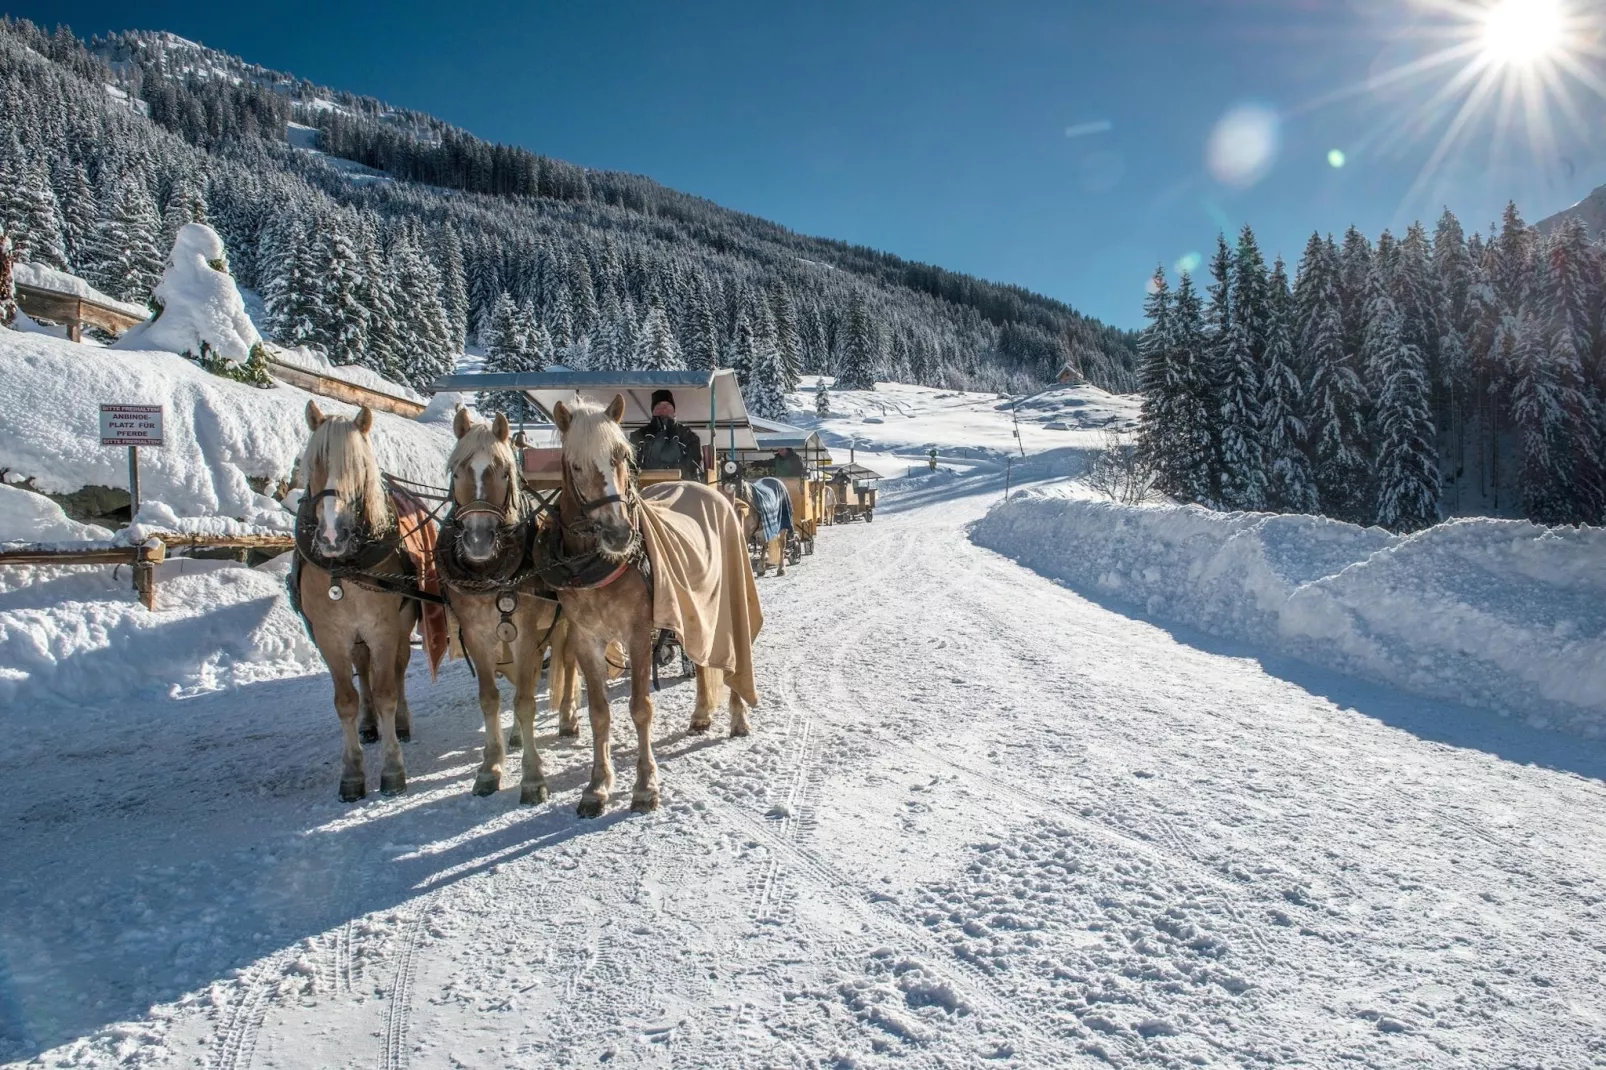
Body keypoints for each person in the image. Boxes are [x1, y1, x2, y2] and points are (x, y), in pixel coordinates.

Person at [629, 389, 706, 482]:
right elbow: (631, 467)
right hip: (646, 489)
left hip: (681, 488)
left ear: (674, 410)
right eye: (659, 406)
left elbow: (694, 467)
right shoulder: (638, 436)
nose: (664, 409)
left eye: (668, 405)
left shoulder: (688, 436)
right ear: (653, 411)